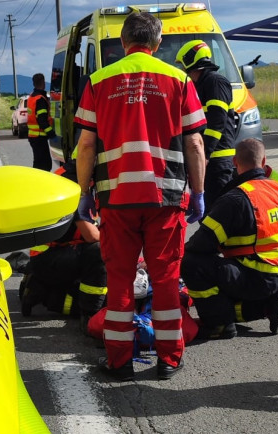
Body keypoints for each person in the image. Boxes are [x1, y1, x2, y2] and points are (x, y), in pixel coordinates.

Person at [74, 12, 207, 381]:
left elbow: (86, 145)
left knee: (119, 281)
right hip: (165, 199)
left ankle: (119, 362)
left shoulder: (99, 81)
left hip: (115, 200)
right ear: (158, 42)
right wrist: (199, 192)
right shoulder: (179, 79)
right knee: (165, 279)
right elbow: (195, 142)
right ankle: (168, 360)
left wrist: (84, 193)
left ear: (122, 40)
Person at [181, 138, 278, 339]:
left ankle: (220, 324)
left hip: (256, 275)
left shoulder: (236, 199)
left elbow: (201, 245)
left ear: (234, 162)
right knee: (222, 272)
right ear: (264, 160)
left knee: (191, 263)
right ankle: (270, 304)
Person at [19, 159, 107, 333]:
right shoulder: (76, 185)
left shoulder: (64, 177)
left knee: (97, 290)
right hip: (50, 259)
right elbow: (91, 235)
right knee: (100, 252)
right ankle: (90, 315)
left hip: (47, 256)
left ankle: (37, 288)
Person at [176, 40, 238, 213]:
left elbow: (217, 120)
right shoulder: (198, 85)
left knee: (217, 214)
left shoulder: (215, 81)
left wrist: (205, 154)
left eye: (182, 64)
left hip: (217, 161)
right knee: (209, 214)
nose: (181, 69)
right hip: (207, 160)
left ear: (190, 60)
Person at [26, 73, 56, 171]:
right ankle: (37, 184)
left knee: (39, 163)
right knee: (45, 165)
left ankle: (35, 183)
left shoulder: (32, 97)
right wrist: (51, 133)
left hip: (33, 136)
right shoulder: (40, 99)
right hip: (39, 137)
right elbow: (42, 120)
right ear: (43, 82)